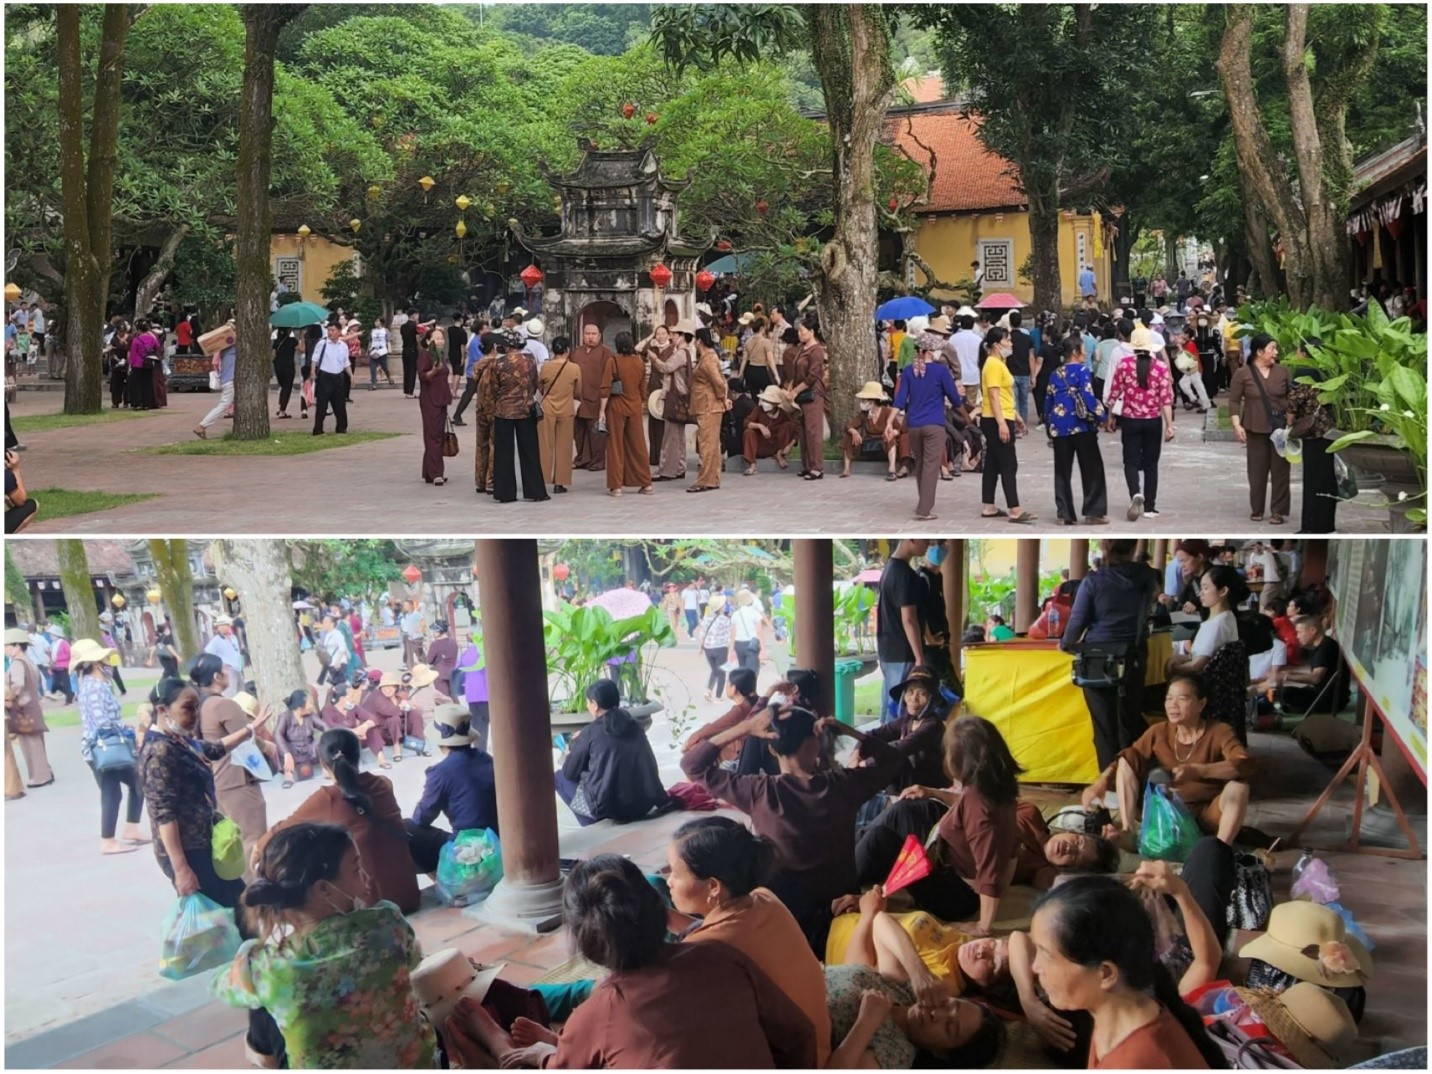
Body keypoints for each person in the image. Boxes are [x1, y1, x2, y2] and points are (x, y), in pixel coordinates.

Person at [442, 854, 818, 1069]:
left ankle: (504, 1052)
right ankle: (554, 1045)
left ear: (588, 948)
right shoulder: (723, 957)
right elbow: (800, 1035)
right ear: (660, 910)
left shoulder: (603, 1009)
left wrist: (547, 1056)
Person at [681, 699, 901, 951]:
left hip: (785, 916)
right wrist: (848, 731)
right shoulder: (842, 785)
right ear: (815, 742)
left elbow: (692, 765)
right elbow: (893, 759)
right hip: (844, 908)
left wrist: (746, 727)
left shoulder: (758, 791)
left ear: (773, 751)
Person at [212, 822, 436, 1069]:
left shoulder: (265, 966)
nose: (366, 877)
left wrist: (249, 951)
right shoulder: (386, 922)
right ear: (324, 889)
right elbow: (413, 959)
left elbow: (220, 988)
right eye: (356, 870)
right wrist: (371, 911)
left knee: (263, 1006)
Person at [1028, 875, 1223, 1068]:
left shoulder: (1138, 1059)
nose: (1035, 967)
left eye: (1046, 955)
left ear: (1105, 974)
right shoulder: (1116, 1018)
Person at [856, 717, 1024, 933]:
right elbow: (969, 809)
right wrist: (933, 792)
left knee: (883, 838)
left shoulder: (978, 807)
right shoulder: (996, 786)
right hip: (950, 851)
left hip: (957, 895)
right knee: (905, 810)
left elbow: (989, 870)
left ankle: (839, 879)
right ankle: (851, 848)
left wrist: (983, 926)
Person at [823, 888, 1007, 1069]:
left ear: (941, 1053)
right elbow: (880, 922)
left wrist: (867, 1021)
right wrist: (919, 972)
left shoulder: (895, 1053)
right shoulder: (906, 993)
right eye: (950, 1005)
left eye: (949, 1027)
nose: (938, 1013)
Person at [256, 728, 420, 913]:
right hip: (408, 897)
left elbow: (280, 831)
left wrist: (255, 852)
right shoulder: (382, 784)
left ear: (322, 762)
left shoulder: (328, 798)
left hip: (373, 910)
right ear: (359, 755)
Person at [1082, 672, 1254, 846]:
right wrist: (1101, 782)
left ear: (1201, 704)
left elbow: (1243, 764)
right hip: (1163, 814)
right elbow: (1128, 756)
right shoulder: (1159, 731)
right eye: (1169, 698)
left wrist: (1199, 770)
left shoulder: (1219, 731)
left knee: (1238, 787)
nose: (1173, 705)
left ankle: (1219, 849)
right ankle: (1128, 831)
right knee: (1128, 759)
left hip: (1205, 816)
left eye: (1182, 699)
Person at [1062, 539, 1160, 770]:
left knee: (1104, 728)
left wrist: (1065, 644)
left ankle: (1110, 785)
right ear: (1134, 547)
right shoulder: (1147, 576)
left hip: (1097, 658)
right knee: (1129, 720)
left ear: (1104, 547)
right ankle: (1134, 777)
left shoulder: (1093, 581)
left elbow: (1077, 622)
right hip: (1133, 654)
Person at [556, 680, 670, 825]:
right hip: (644, 803)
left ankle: (592, 826)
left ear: (595, 705)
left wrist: (569, 754)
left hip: (612, 809)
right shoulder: (635, 724)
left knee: (559, 777)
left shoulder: (590, 732)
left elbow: (569, 773)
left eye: (588, 702)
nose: (587, 705)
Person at [192, 654, 269, 867]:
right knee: (252, 839)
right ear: (216, 676)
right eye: (225, 669)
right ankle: (255, 893)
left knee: (233, 841)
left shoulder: (200, 705)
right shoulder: (224, 705)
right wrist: (270, 747)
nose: (228, 672)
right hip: (237, 779)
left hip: (217, 781)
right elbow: (246, 737)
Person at [74, 638, 147, 854]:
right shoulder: (94, 687)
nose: (109, 662)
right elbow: (101, 722)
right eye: (106, 659)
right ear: (96, 663)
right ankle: (108, 841)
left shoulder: (97, 685)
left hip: (107, 746)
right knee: (113, 792)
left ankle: (131, 828)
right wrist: (124, 730)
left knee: (136, 782)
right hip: (104, 748)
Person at [407, 706, 499, 873]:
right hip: (499, 837)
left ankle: (444, 881)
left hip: (470, 846)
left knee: (407, 829)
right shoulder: (487, 759)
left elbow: (422, 818)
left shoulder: (441, 773)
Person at [1105, 326, 1176, 521]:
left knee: (1130, 461)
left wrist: (1110, 416)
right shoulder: (1160, 367)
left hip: (1129, 420)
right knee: (1151, 464)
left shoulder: (1124, 364)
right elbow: (1166, 400)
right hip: (1153, 421)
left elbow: (1114, 392)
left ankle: (1135, 493)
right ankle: (1150, 507)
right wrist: (1169, 426)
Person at [893, 341, 963, 521]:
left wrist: (888, 421)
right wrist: (963, 411)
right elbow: (954, 398)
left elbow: (900, 399)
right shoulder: (941, 371)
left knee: (921, 465)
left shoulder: (909, 371)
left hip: (914, 425)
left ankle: (922, 502)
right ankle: (924, 509)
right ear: (931, 351)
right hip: (934, 424)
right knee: (931, 467)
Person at [1228, 332, 1293, 525]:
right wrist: (1236, 424)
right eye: (1272, 348)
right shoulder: (1243, 373)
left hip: (1280, 429)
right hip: (1254, 428)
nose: (1276, 352)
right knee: (1256, 471)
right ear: (1259, 351)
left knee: (1281, 471)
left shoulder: (1283, 371)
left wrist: (1291, 423)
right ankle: (1257, 509)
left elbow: (1292, 398)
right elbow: (1234, 400)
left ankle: (1278, 511)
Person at [1046, 335, 1109, 526]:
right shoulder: (1082, 370)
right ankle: (1093, 512)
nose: (1085, 353)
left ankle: (1064, 513)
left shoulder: (1055, 373)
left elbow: (1048, 402)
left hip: (1060, 427)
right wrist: (1103, 416)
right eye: (1083, 349)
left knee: (1062, 471)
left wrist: (1050, 426)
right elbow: (1088, 397)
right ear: (1075, 352)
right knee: (1092, 469)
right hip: (1082, 426)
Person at [482, 329, 548, 504]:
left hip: (504, 411)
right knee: (530, 451)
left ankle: (505, 493)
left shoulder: (498, 363)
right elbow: (535, 383)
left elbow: (493, 387)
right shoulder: (530, 360)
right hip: (526, 409)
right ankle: (536, 491)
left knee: (504, 452)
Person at [979, 327, 1036, 522]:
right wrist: (1002, 423)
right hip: (996, 419)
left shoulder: (998, 363)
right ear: (996, 345)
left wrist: (1016, 416)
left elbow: (1004, 396)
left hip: (1000, 415)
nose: (1011, 344)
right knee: (1008, 463)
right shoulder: (993, 364)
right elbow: (993, 396)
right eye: (1007, 341)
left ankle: (989, 505)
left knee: (993, 463)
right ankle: (1015, 508)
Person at [877, 538, 931, 720]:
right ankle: (892, 748)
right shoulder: (904, 574)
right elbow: (909, 619)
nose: (928, 544)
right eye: (926, 540)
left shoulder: (889, 568)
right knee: (901, 709)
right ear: (912, 539)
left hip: (888, 651)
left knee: (889, 706)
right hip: (902, 652)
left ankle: (880, 746)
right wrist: (919, 657)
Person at [597, 331, 653, 496]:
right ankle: (646, 483)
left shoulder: (612, 361)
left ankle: (616, 486)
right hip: (635, 405)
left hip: (616, 406)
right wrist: (641, 403)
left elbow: (605, 388)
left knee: (615, 445)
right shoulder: (639, 362)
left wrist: (602, 411)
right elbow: (643, 388)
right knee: (638, 445)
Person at [1167, 565, 1245, 677]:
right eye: (1201, 588)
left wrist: (1172, 669)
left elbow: (1197, 665)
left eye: (1206, 588)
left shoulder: (1218, 624)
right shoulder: (1223, 618)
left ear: (1223, 591)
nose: (1201, 593)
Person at [4, 628, 54, 789]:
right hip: (32, 707)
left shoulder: (17, 664)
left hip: (22, 709)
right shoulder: (28, 662)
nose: (4, 649)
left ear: (17, 646)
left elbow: (17, 685)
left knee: (30, 744)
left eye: (7, 646)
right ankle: (45, 771)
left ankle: (40, 776)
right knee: (36, 742)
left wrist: (7, 698)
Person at [1273, 616, 1350, 714]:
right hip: (1327, 694)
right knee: (1280, 691)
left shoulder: (1325, 648)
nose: (1297, 636)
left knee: (1286, 693)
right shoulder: (1324, 644)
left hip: (1331, 700)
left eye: (1300, 632)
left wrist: (1286, 676)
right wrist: (1291, 671)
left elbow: (1315, 678)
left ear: (1312, 630)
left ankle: (1301, 710)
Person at [685, 327, 728, 493]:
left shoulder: (708, 358)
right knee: (711, 444)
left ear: (699, 341)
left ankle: (705, 480)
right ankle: (712, 478)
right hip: (707, 404)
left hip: (709, 405)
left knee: (706, 444)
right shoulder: (706, 357)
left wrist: (723, 397)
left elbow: (718, 382)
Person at [536, 335, 580, 494]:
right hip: (566, 408)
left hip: (547, 408)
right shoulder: (574, 368)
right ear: (567, 350)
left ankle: (542, 477)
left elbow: (539, 386)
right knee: (564, 446)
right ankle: (560, 482)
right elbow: (578, 390)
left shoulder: (546, 367)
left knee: (545, 445)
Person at [787, 317, 828, 480]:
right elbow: (797, 371)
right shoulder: (802, 349)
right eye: (798, 331)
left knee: (813, 431)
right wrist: (791, 386)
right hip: (799, 392)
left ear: (811, 332)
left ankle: (817, 466)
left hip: (812, 393)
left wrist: (796, 390)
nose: (799, 334)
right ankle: (807, 465)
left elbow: (812, 376)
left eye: (802, 331)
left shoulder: (816, 350)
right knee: (803, 431)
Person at [571, 323, 614, 471]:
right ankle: (581, 459)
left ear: (599, 336)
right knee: (578, 432)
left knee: (596, 433)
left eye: (593, 334)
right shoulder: (576, 352)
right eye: (587, 334)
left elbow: (611, 377)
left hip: (597, 399)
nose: (590, 337)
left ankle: (597, 461)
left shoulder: (606, 353)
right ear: (582, 335)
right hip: (578, 399)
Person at [272, 689, 328, 789]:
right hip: (293, 750)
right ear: (300, 705)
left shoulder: (311, 716)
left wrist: (331, 737)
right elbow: (277, 734)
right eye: (309, 703)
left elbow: (324, 726)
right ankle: (288, 775)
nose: (312, 706)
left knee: (320, 742)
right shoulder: (285, 717)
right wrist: (286, 753)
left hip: (309, 748)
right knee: (281, 747)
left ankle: (326, 768)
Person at [418, 325, 453, 486]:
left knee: (436, 434)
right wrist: (433, 371)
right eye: (437, 338)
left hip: (441, 399)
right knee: (434, 436)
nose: (440, 341)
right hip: (430, 400)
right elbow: (423, 376)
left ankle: (429, 471)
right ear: (428, 341)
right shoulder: (426, 356)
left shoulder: (439, 355)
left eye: (441, 338)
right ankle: (436, 472)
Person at [741, 384, 799, 475]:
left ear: (775, 404)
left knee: (788, 425)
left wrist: (790, 445)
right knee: (748, 432)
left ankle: (779, 455)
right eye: (765, 400)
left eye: (769, 401)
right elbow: (746, 422)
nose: (765, 403)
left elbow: (795, 431)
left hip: (775, 446)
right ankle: (752, 465)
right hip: (760, 445)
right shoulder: (758, 410)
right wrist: (760, 426)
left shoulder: (783, 414)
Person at [309, 321, 352, 436]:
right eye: (329, 330)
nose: (330, 332)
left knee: (340, 404)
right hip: (325, 376)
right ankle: (318, 429)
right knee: (322, 404)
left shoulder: (343, 346)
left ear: (339, 331)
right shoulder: (322, 344)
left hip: (338, 376)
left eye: (333, 330)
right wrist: (313, 372)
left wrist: (351, 376)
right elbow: (315, 359)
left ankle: (341, 428)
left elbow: (345, 362)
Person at [192, 334, 238, 440]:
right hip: (230, 380)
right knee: (223, 405)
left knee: (226, 404)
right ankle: (202, 426)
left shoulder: (222, 349)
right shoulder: (232, 349)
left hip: (226, 379)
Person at [695, 595, 734, 702]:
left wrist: (700, 648)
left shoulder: (707, 618)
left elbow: (702, 634)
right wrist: (732, 649)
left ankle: (708, 690)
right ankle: (718, 697)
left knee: (714, 670)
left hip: (708, 648)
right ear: (721, 607)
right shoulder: (725, 620)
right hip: (720, 648)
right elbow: (731, 635)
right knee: (721, 672)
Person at [737, 316, 777, 392]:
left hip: (750, 371)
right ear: (762, 328)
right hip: (761, 371)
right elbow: (770, 360)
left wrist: (741, 373)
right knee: (769, 394)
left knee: (754, 397)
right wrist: (776, 375)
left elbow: (744, 360)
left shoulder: (748, 341)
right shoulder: (766, 342)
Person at [272, 328, 298, 418]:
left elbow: (273, 355)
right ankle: (282, 410)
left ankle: (280, 408)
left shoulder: (276, 341)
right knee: (287, 388)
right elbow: (302, 349)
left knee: (283, 387)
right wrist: (302, 336)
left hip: (278, 366)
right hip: (289, 366)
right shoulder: (292, 341)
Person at [368, 315, 392, 389]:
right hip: (374, 350)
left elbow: (388, 340)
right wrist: (369, 348)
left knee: (384, 367)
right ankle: (374, 384)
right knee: (372, 368)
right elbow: (370, 340)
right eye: (375, 321)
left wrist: (389, 348)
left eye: (377, 321)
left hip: (382, 351)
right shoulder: (372, 331)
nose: (376, 322)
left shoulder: (385, 330)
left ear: (381, 322)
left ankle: (389, 377)